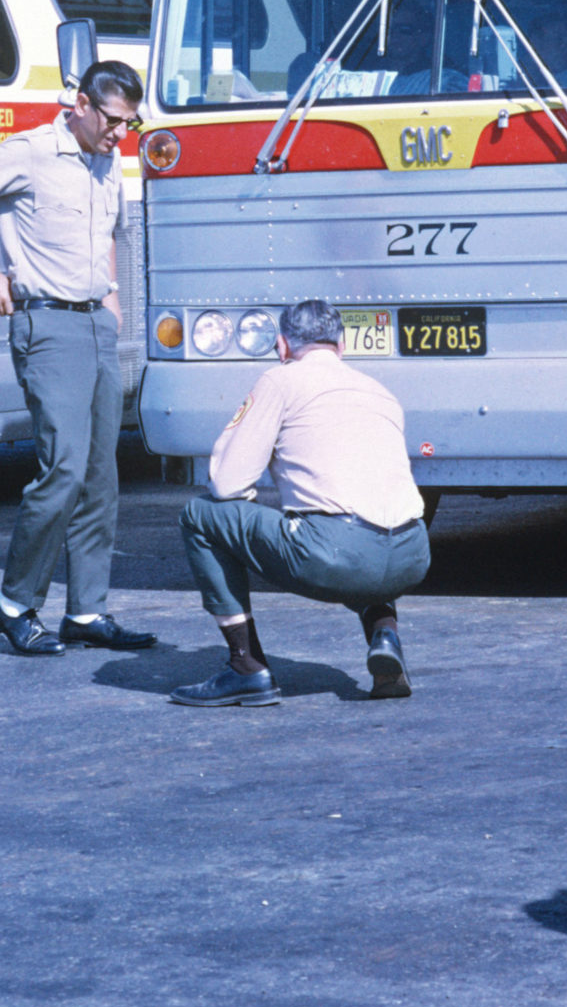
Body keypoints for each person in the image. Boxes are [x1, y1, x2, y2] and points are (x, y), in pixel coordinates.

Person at [0, 59, 157, 657]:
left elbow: (106, 234)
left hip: (94, 327)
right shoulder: (31, 151)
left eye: (129, 125)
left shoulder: (109, 160)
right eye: (112, 120)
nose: (119, 134)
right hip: (47, 327)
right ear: (81, 104)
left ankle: (86, 611)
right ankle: (12, 605)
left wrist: (110, 305)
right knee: (61, 470)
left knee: (101, 477)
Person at [170, 298, 432, 707]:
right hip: (412, 555)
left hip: (338, 554)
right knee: (368, 515)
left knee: (201, 515)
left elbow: (226, 483)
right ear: (340, 347)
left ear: (282, 346)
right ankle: (385, 633)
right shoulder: (380, 391)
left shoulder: (280, 380)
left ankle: (246, 667)